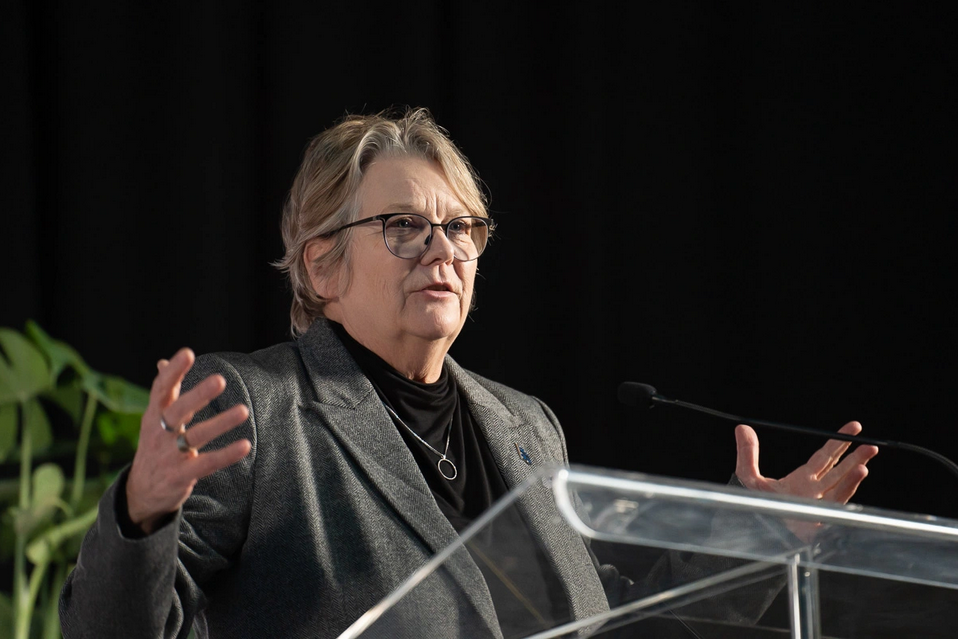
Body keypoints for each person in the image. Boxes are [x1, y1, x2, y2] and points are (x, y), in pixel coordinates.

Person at [58, 108, 878, 639]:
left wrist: (754, 537)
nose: (445, 249)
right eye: (406, 225)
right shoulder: (260, 412)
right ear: (322, 266)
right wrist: (141, 514)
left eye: (462, 227)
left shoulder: (527, 425)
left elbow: (613, 618)